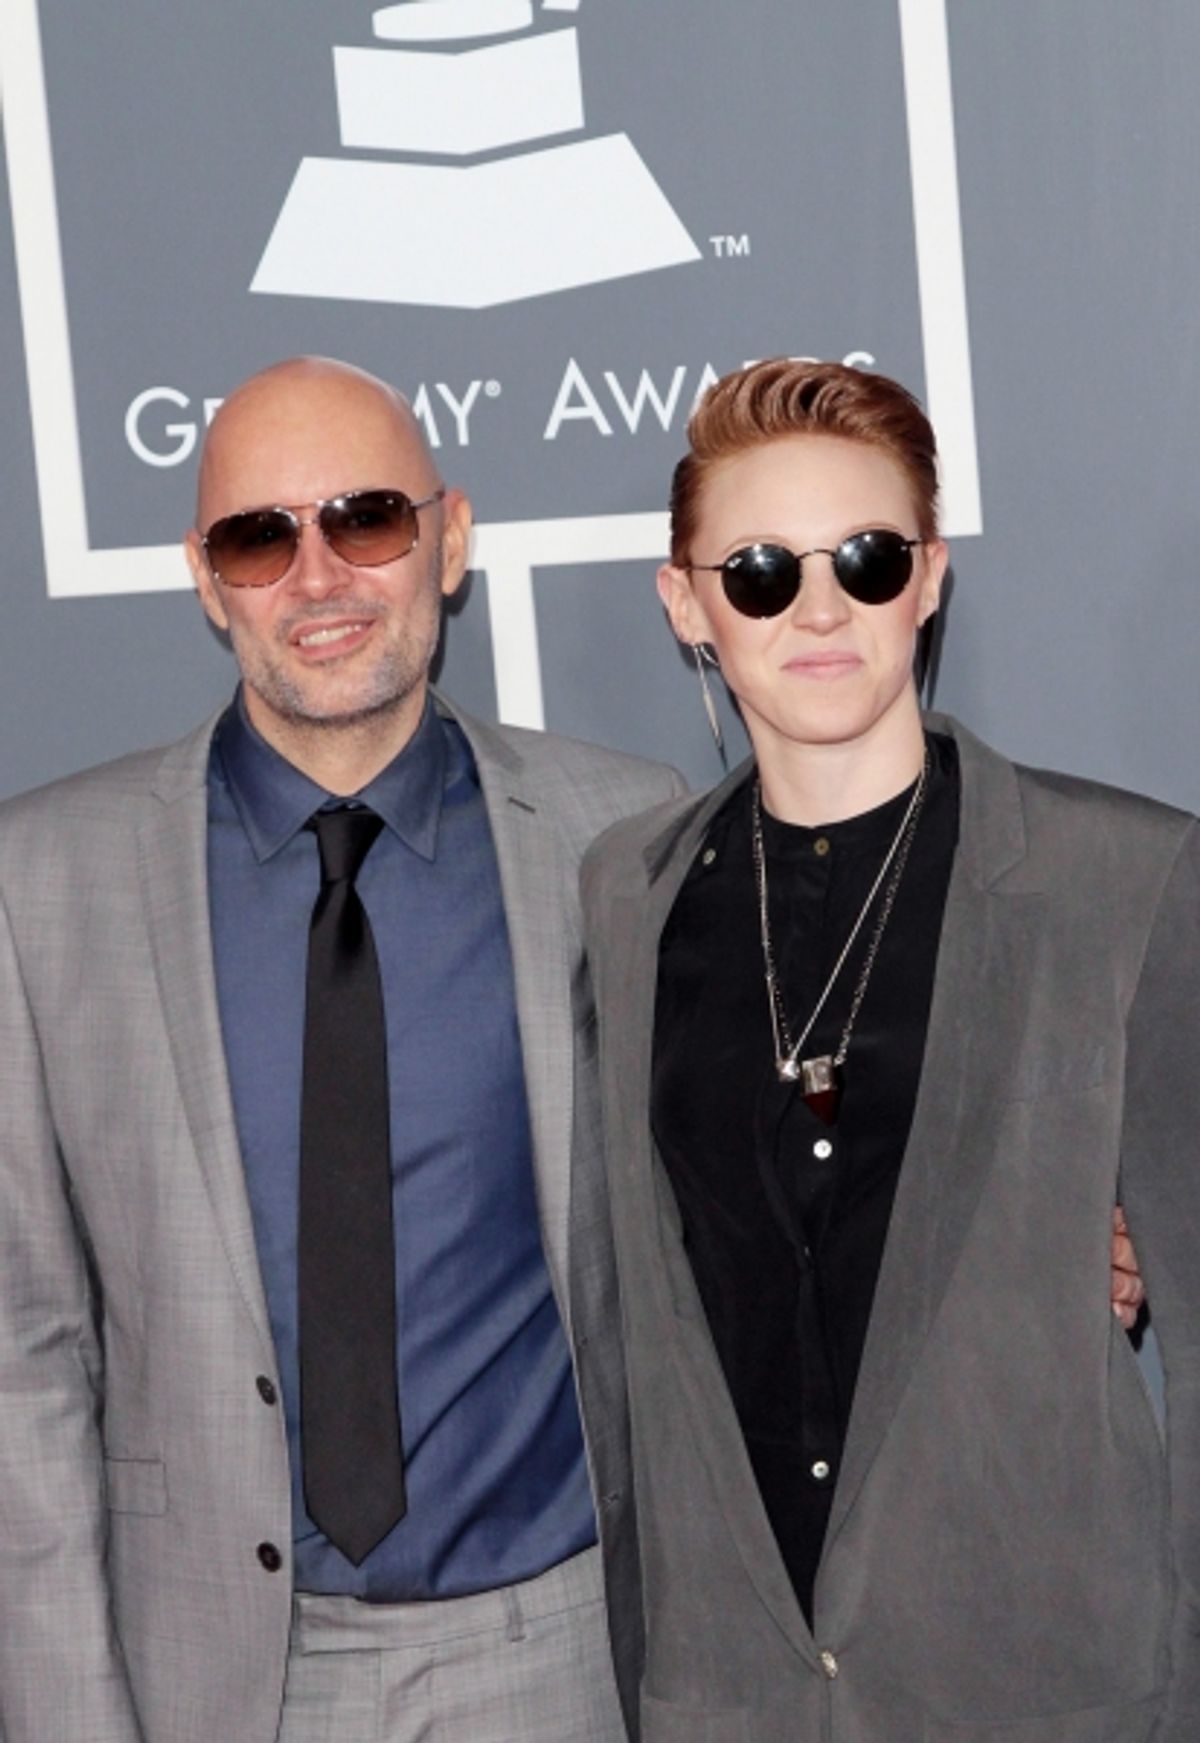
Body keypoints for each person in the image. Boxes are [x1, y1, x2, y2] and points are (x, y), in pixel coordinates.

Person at [0, 356, 684, 1743]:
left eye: (366, 519)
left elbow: (763, 1190)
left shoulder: (627, 838)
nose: (318, 577)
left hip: (559, 1656)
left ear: (450, 538)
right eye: (262, 537)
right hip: (211, 1675)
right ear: (206, 576)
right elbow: (24, 1353)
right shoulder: (42, 884)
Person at [580, 358, 1197, 1741]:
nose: (816, 609)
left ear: (928, 579)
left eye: (863, 559)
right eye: (757, 570)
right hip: (729, 1700)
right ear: (687, 604)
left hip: (1043, 1692)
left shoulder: (1125, 883)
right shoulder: (624, 898)